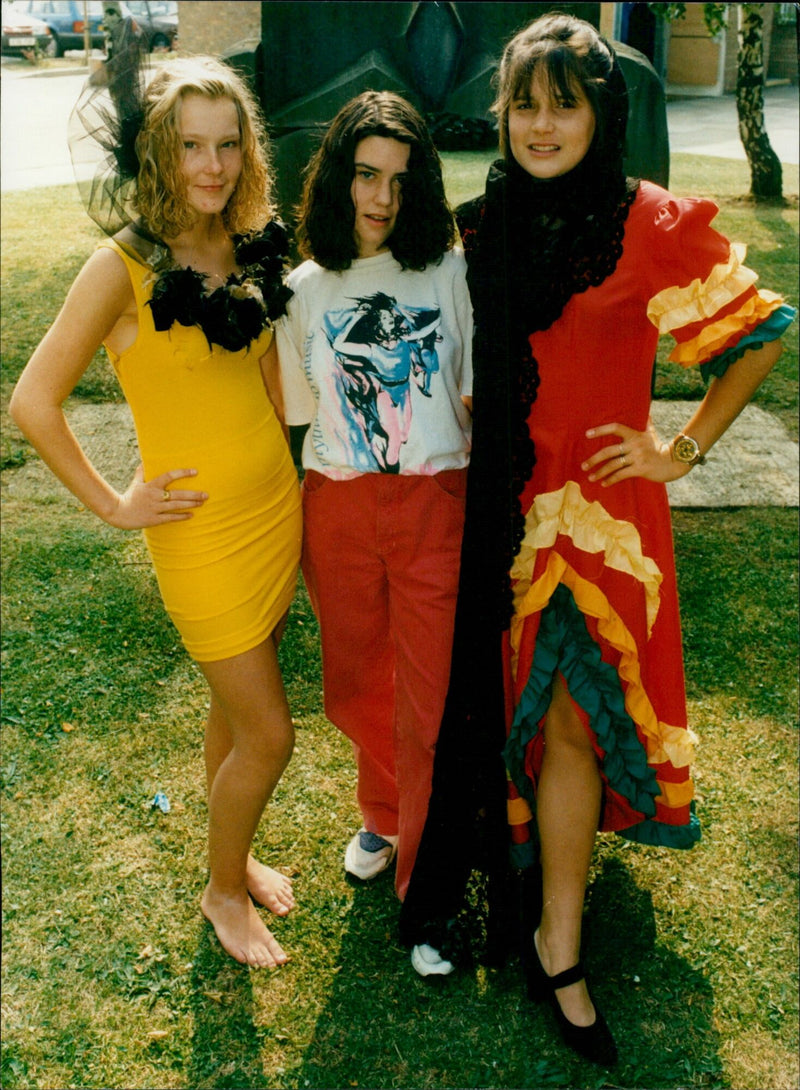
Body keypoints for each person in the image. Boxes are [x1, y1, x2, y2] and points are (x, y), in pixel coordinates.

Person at [399, 12, 794, 1065]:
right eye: (521, 104)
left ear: (599, 112)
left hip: (598, 517)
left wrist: (682, 446)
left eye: (561, 104)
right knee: (511, 707)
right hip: (496, 510)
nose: (538, 125)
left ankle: (556, 942)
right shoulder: (482, 222)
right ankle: (532, 868)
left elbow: (754, 334)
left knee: (571, 714)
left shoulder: (648, 220)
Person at [10, 56, 302, 969]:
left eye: (227, 145)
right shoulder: (121, 267)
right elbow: (33, 402)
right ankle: (220, 891)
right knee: (271, 732)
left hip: (273, 515)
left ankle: (233, 853)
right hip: (199, 536)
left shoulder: (247, 244)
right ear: (157, 152)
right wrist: (117, 505)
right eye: (189, 147)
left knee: (232, 709)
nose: (210, 167)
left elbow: (265, 380)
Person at [275, 92, 473, 936]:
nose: (381, 198)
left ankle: (424, 892)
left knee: (427, 701)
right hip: (340, 505)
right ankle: (384, 810)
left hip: (433, 502)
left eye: (399, 178)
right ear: (338, 179)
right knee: (358, 686)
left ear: (420, 185)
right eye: (365, 175)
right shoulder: (301, 291)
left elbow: (471, 396)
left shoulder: (451, 272)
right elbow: (296, 417)